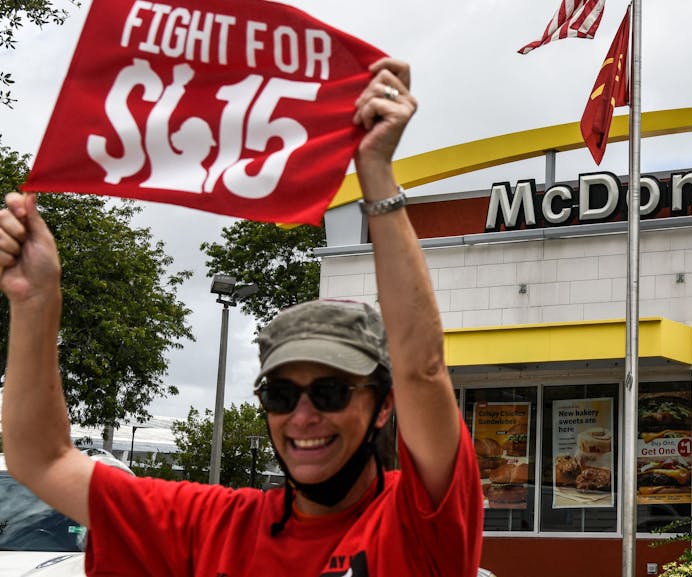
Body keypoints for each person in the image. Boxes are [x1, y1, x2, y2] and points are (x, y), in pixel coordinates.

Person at [0, 58, 483, 577]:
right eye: (280, 394)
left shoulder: (419, 524)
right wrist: (36, 301)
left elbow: (423, 369)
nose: (302, 416)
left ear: (384, 405)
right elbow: (43, 461)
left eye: (330, 392)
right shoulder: (215, 526)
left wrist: (377, 177)